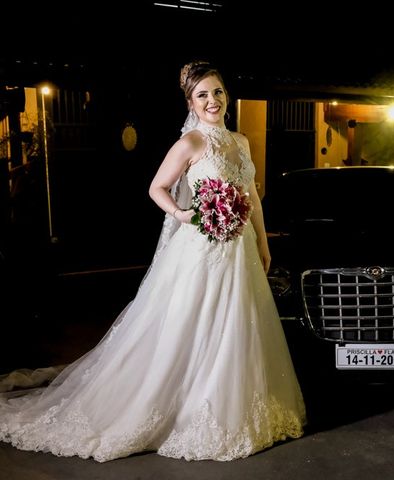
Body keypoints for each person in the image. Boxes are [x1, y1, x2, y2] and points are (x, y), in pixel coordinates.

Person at [0, 60, 306, 461]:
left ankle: (240, 407)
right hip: (203, 250)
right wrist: (183, 215)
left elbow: (254, 200)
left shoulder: (241, 141)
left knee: (239, 323)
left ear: (226, 95)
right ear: (191, 103)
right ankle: (188, 407)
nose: (212, 101)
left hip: (242, 249)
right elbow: (157, 187)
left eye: (217, 92)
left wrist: (264, 245)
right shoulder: (191, 143)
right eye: (202, 95)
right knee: (192, 325)